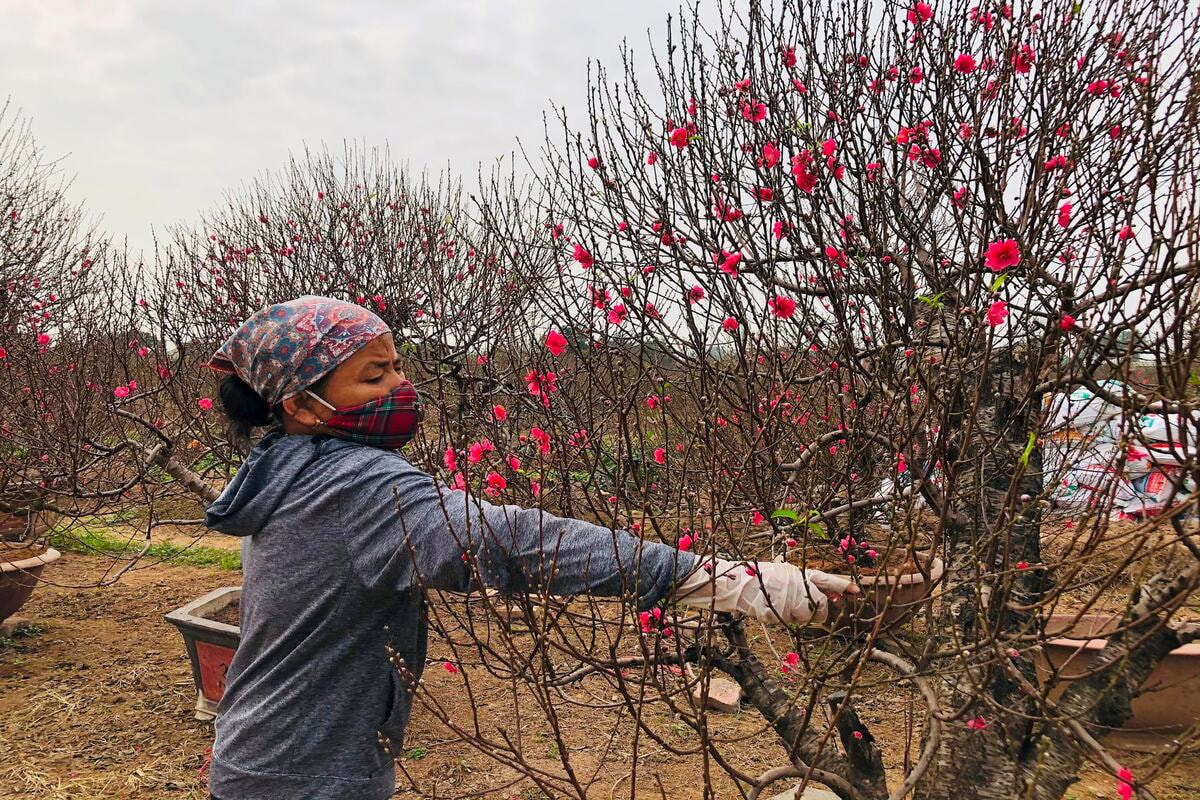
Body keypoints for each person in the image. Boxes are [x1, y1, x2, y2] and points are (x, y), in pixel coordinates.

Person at [203, 295, 856, 800]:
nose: (401, 389)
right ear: (303, 404)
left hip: (268, 753)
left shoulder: (287, 466)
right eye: (375, 377)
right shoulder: (355, 485)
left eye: (398, 367)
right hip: (305, 775)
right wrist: (720, 580)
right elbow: (509, 542)